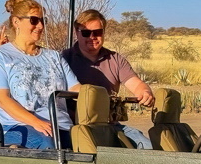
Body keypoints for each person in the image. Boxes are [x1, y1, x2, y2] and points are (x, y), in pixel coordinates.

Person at [0, 0, 78, 149]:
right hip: (15, 126)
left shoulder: (54, 56)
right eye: (34, 20)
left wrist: (101, 95)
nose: (40, 26)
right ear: (16, 21)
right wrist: (36, 122)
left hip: (61, 127)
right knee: (48, 143)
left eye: (43, 21)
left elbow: (76, 88)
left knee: (93, 143)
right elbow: (2, 99)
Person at [61, 9, 155, 149]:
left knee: (147, 148)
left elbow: (137, 85)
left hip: (111, 126)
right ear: (76, 33)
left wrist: (145, 93)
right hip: (76, 127)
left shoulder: (116, 60)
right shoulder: (63, 59)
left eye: (97, 32)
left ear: (104, 32)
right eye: (86, 33)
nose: (92, 37)